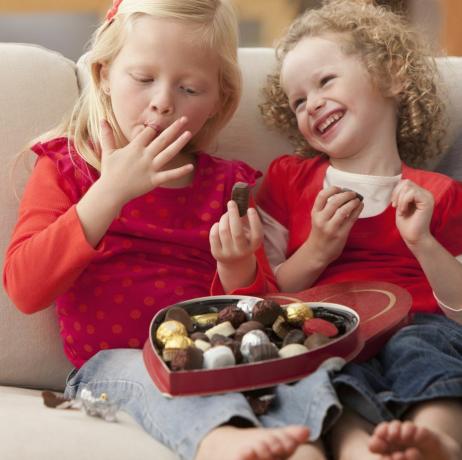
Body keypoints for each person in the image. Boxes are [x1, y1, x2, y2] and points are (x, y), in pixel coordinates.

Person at [2, 1, 346, 459]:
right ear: (104, 74)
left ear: (218, 101)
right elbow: (25, 289)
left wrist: (237, 266)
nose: (162, 101)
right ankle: (222, 441)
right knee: (153, 371)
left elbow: (259, 304)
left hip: (222, 356)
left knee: (307, 373)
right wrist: (109, 193)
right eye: (143, 79)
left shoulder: (229, 185)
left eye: (188, 88)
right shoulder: (69, 168)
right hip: (115, 363)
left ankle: (338, 445)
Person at [254, 0, 462, 459]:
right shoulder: (288, 179)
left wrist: (423, 243)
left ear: (391, 75)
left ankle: (438, 439)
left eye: (325, 81)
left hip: (423, 325)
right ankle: (358, 450)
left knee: (424, 346)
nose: (312, 105)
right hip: (326, 329)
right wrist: (317, 251)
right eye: (298, 102)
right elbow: (263, 295)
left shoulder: (438, 193)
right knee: (326, 370)